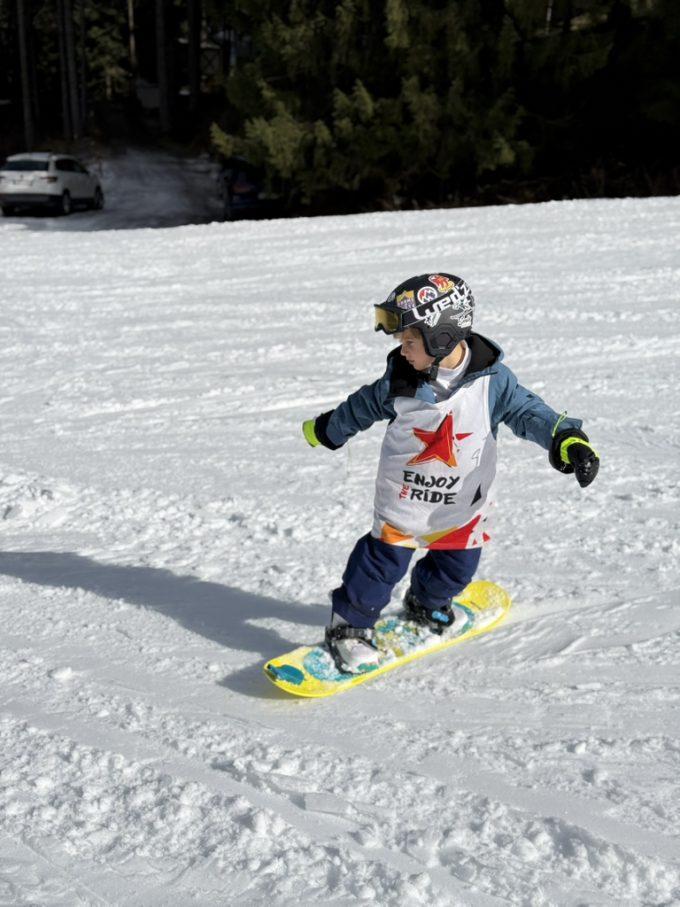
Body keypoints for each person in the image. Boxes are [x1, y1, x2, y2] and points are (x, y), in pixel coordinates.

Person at [302, 273, 599, 674]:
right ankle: (349, 627)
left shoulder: (493, 382)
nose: (402, 350)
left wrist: (566, 439)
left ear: (441, 338)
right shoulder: (400, 381)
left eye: (410, 341)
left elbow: (529, 412)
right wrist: (327, 430)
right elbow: (361, 406)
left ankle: (426, 602)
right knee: (380, 565)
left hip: (461, 503)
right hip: (405, 498)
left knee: (456, 567)